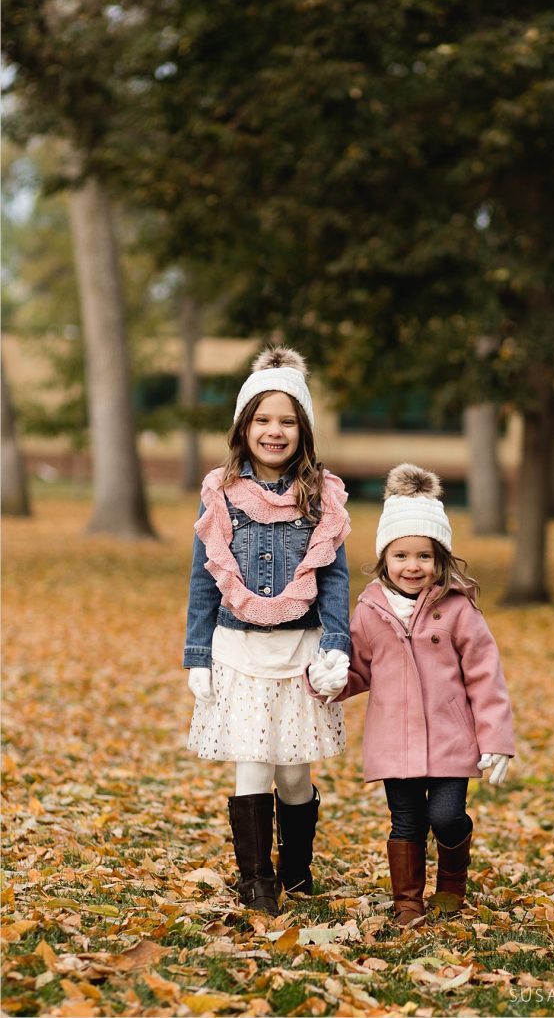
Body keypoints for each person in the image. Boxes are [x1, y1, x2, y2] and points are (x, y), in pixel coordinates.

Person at [183, 346, 351, 915]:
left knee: (294, 773)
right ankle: (255, 880)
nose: (274, 431)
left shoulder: (320, 497)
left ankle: (296, 869)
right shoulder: (221, 494)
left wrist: (336, 643)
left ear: (303, 430)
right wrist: (197, 654)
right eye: (262, 419)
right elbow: (204, 580)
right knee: (252, 762)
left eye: (286, 421)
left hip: (299, 650)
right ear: (243, 427)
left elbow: (334, 579)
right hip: (238, 649)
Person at [309, 463, 514, 927]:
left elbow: (485, 676)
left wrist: (496, 739)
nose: (412, 566)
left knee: (445, 816)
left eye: (424, 556)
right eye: (401, 556)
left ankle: (452, 881)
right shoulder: (369, 612)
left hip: (449, 740)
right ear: (385, 559)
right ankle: (408, 903)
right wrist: (328, 680)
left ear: (440, 559)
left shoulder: (458, 610)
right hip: (394, 741)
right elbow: (357, 669)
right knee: (406, 822)